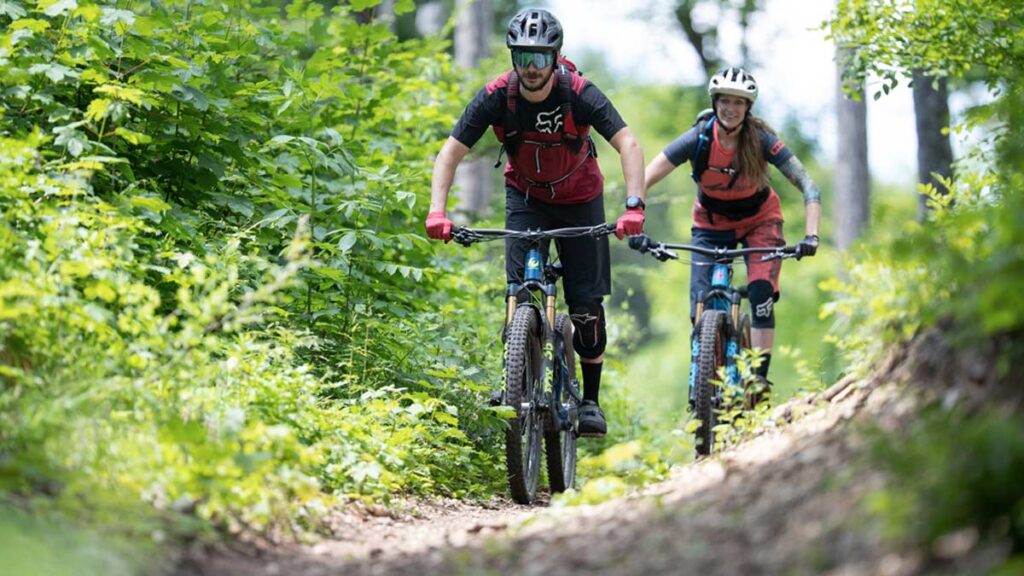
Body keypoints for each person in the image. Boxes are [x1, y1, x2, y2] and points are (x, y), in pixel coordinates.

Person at [425, 8, 646, 436]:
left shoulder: (578, 92)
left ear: (556, 56)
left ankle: (590, 403)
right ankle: (514, 382)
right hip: (525, 196)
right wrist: (438, 210)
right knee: (519, 289)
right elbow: (450, 152)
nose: (531, 68)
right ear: (512, 58)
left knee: (585, 305)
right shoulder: (496, 96)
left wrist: (634, 205)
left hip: (581, 199)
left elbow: (628, 142)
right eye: (523, 56)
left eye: (540, 58)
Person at [643, 66, 821, 400]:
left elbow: (808, 184)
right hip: (710, 224)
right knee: (697, 301)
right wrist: (634, 211)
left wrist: (812, 235)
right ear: (715, 102)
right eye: (725, 101)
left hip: (761, 221)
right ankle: (703, 372)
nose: (730, 108)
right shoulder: (699, 137)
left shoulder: (762, 140)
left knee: (760, 293)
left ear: (747, 108)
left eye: (738, 103)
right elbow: (648, 174)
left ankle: (758, 381)